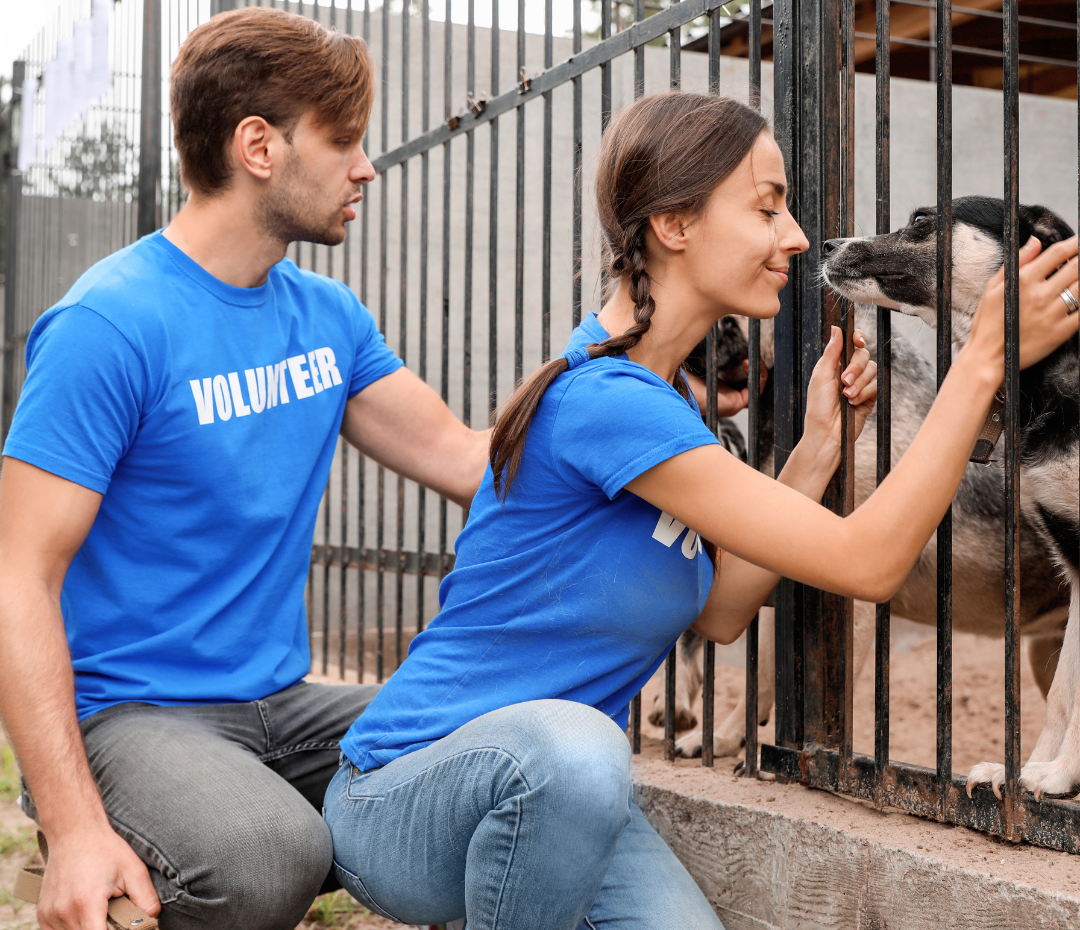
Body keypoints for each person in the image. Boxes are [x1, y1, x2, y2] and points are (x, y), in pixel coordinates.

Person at [324, 91, 1080, 930]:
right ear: (674, 226)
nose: (794, 236)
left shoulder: (674, 415)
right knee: (579, 752)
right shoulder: (607, 402)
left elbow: (720, 611)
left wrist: (818, 447)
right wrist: (983, 362)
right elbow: (868, 562)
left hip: (559, 798)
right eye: (767, 208)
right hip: (413, 792)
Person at [0, 7, 490, 930]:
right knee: (272, 856)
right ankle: (138, 857)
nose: (365, 167)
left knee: (497, 748)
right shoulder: (110, 325)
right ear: (258, 146)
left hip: (283, 706)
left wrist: (636, 377)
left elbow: (468, 460)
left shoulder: (330, 318)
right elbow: (16, 576)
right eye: (343, 141)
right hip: (130, 714)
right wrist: (71, 825)